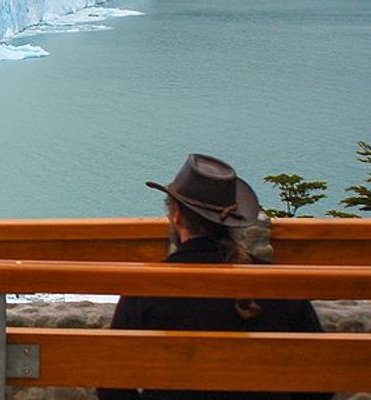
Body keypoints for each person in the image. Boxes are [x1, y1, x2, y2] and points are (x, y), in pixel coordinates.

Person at [97, 154, 331, 400]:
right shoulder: (280, 286)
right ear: (233, 221)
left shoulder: (146, 290)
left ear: (176, 215)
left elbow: (112, 387)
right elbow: (321, 381)